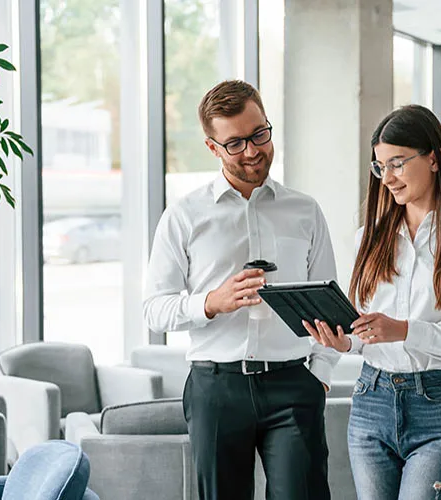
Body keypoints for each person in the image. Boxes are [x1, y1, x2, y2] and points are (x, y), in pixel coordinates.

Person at [143, 80, 339, 500]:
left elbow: (329, 300)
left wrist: (319, 376)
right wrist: (211, 303)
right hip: (216, 388)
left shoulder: (305, 211)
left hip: (293, 386)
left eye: (259, 135)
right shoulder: (183, 216)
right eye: (235, 144)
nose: (252, 151)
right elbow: (153, 309)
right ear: (212, 148)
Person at [303, 104, 441, 500]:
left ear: (434, 158)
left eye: (397, 163)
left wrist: (405, 331)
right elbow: (366, 331)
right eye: (380, 167)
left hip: (440, 408)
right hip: (370, 403)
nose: (387, 178)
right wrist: (346, 341)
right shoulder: (368, 237)